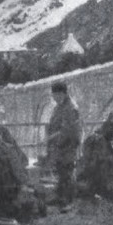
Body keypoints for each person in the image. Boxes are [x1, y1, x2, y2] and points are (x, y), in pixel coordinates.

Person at [46, 82, 82, 210]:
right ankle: (60, 197)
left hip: (68, 144)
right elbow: (54, 125)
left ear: (63, 93)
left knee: (67, 171)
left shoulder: (71, 107)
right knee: (61, 170)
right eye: (53, 95)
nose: (54, 98)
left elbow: (67, 130)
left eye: (56, 94)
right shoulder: (59, 107)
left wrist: (52, 138)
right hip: (59, 144)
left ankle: (69, 201)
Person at [77, 113, 113, 200]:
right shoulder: (100, 141)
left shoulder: (97, 138)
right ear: (108, 131)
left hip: (87, 174)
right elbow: (100, 161)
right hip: (94, 175)